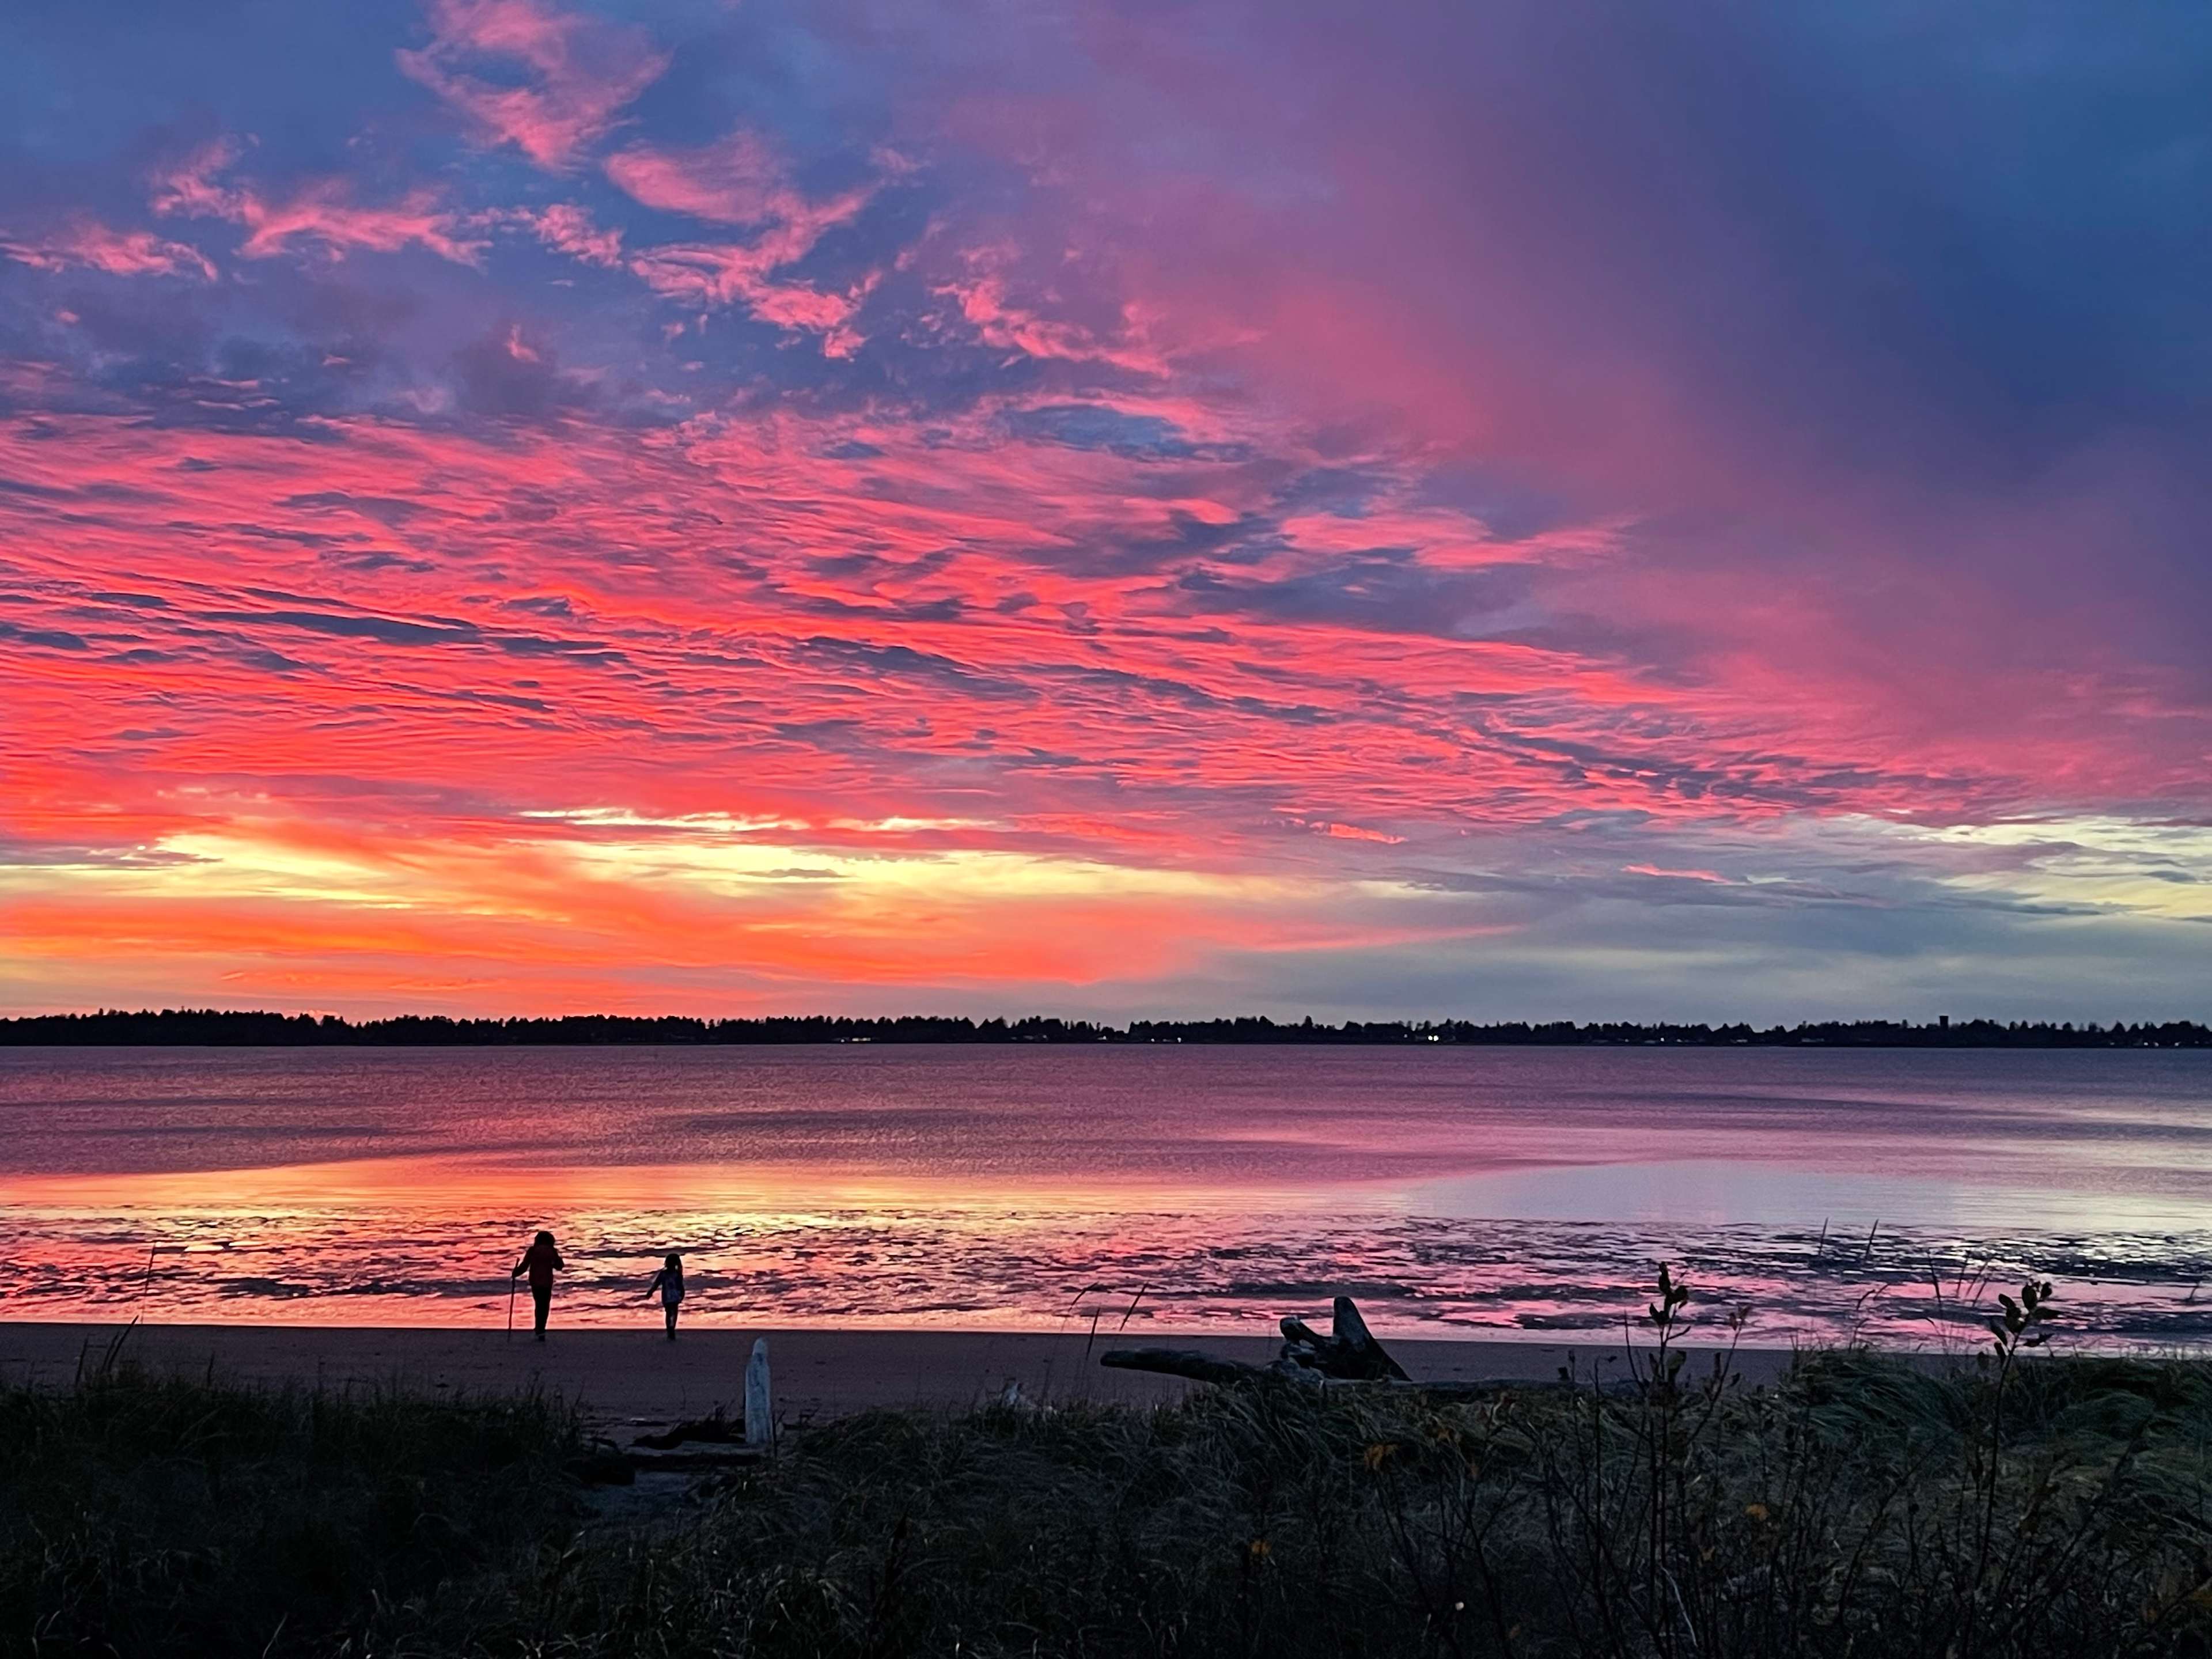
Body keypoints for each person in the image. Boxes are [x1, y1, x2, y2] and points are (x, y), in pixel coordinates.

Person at [512, 1230, 564, 1341]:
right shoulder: (551, 1251)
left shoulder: (533, 1251)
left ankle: (539, 1330)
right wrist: (556, 1261)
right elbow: (559, 1266)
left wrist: (515, 1273)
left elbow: (525, 1266)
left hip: (535, 1281)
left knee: (539, 1305)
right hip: (547, 1282)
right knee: (544, 1307)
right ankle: (541, 1330)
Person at [645, 1252, 685, 1340]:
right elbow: (657, 1284)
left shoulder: (677, 1274)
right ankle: (670, 1330)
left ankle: (671, 1329)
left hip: (674, 1296)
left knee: (672, 1313)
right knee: (670, 1313)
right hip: (668, 1296)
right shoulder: (664, 1274)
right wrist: (651, 1292)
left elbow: (680, 1286)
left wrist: (682, 1294)